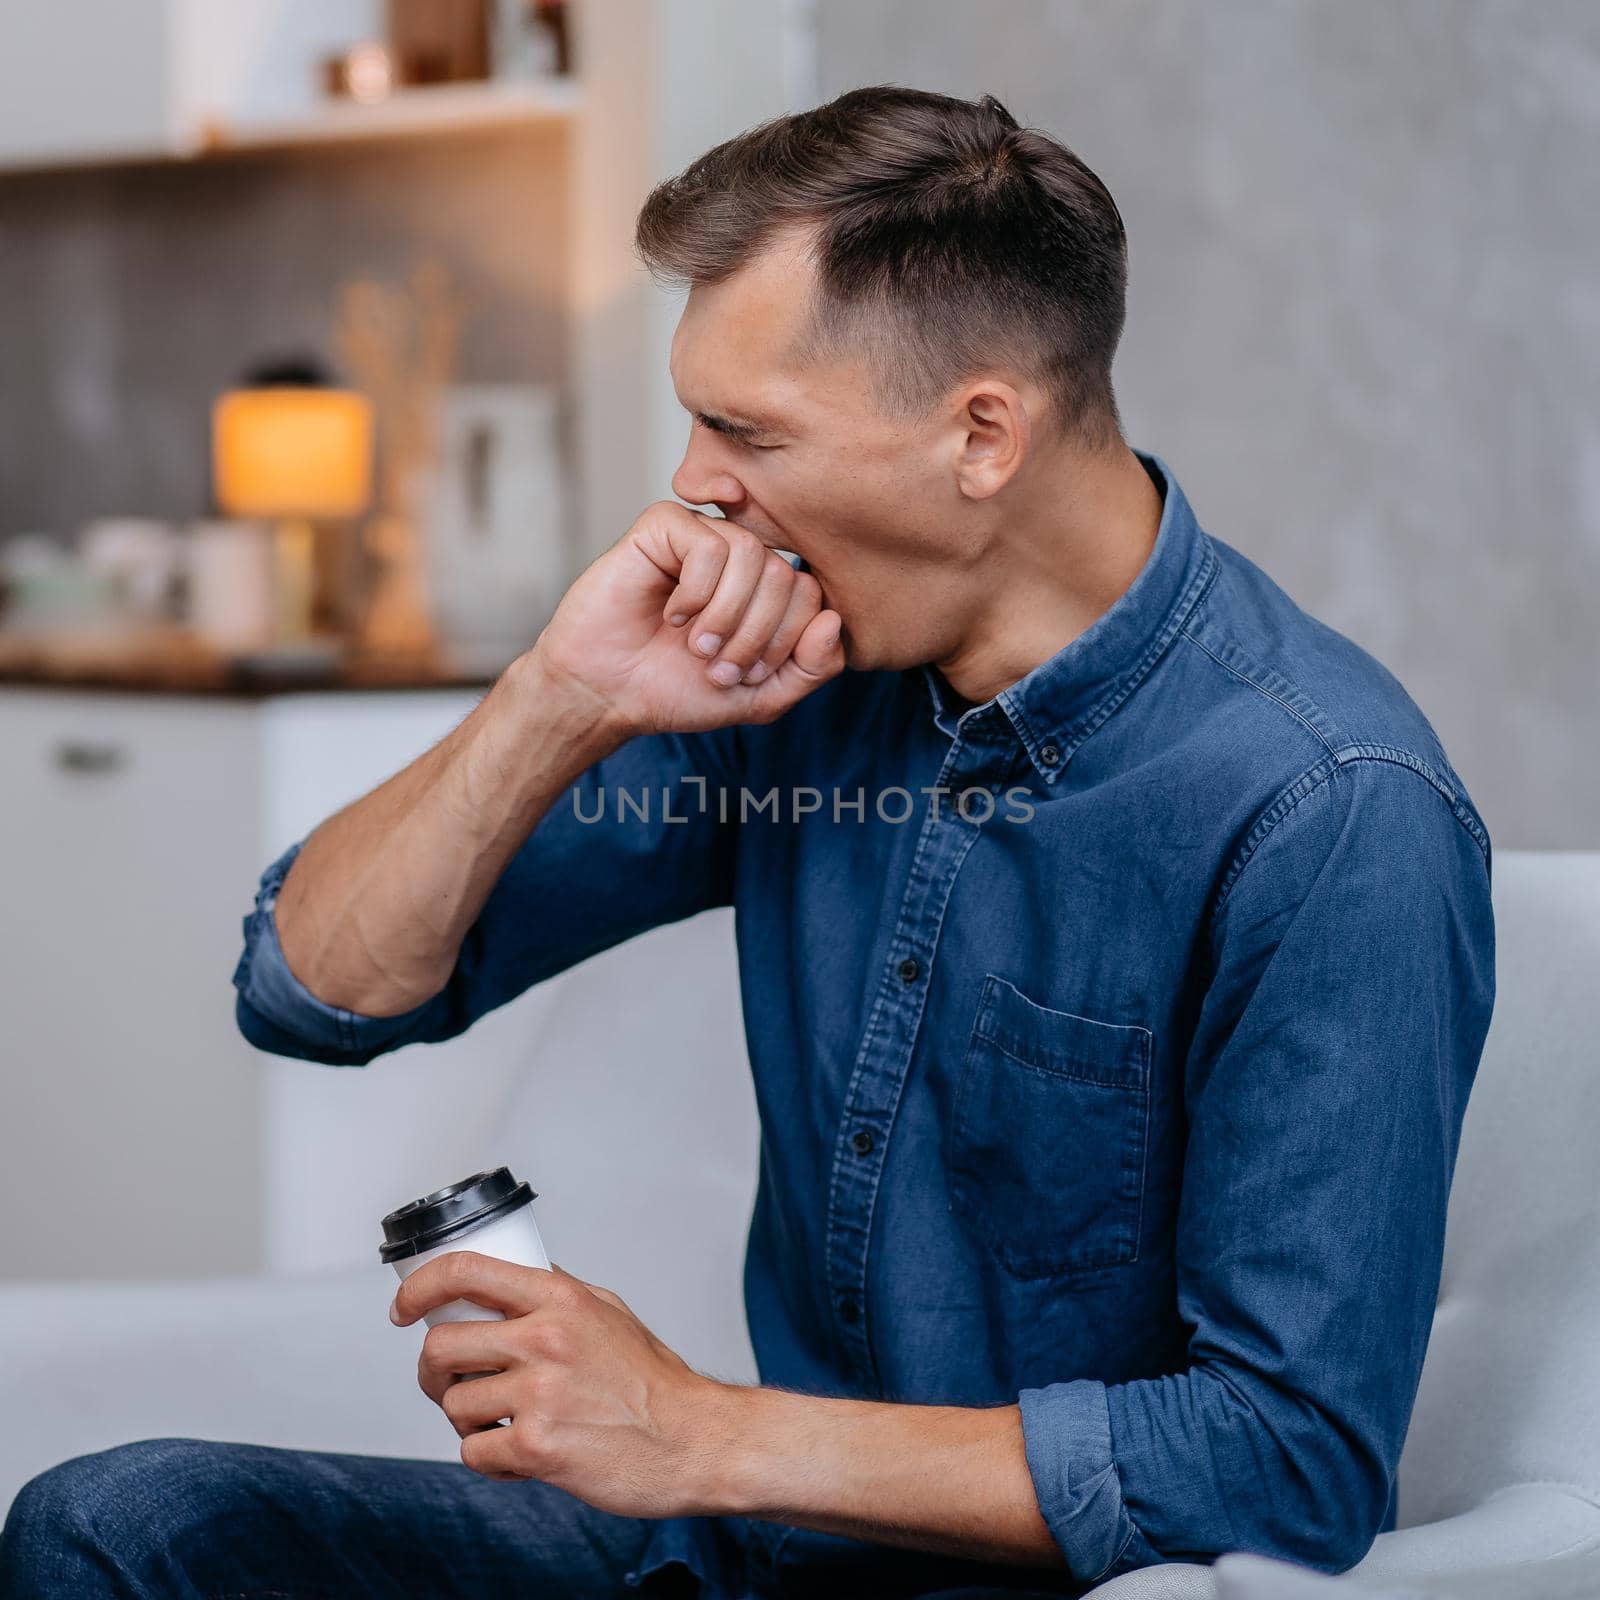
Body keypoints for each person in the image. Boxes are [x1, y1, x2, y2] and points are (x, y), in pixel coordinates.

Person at [1, 85, 1495, 1600]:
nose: (697, 483)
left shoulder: (1329, 809)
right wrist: (557, 699)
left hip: (1022, 1581)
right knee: (123, 1525)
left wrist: (703, 1435)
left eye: (745, 429)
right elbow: (311, 989)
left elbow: (1291, 1461)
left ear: (981, 433)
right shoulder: (800, 679)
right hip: (758, 1554)